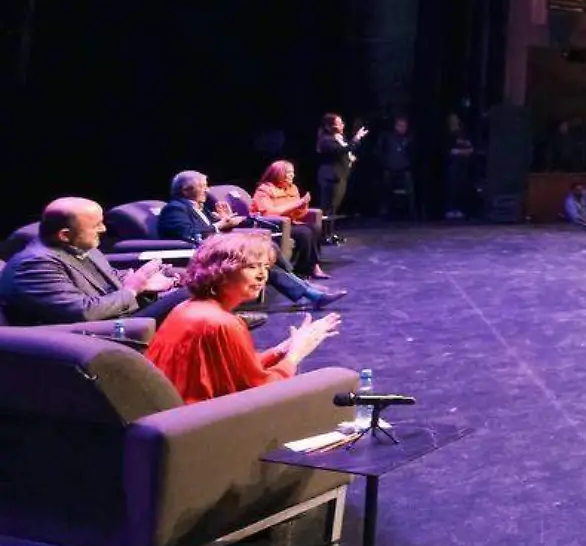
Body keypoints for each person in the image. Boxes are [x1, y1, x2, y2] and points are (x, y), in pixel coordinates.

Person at [145, 232, 342, 403]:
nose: (262, 275)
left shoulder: (185, 308)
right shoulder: (222, 323)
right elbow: (259, 392)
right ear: (221, 271)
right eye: (252, 267)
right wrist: (295, 355)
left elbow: (238, 370)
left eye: (265, 267)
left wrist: (282, 349)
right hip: (203, 425)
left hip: (174, 416)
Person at [157, 170, 345, 310]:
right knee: (257, 260)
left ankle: (307, 290)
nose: (207, 189)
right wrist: (219, 225)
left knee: (265, 248)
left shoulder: (200, 207)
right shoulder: (175, 209)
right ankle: (309, 291)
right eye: (203, 185)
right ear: (186, 189)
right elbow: (188, 233)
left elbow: (213, 226)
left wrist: (228, 220)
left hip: (218, 249)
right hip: (202, 255)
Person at [0, 197, 199, 327]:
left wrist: (146, 281)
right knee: (195, 291)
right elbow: (83, 313)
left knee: (188, 280)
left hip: (117, 315)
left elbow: (108, 277)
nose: (104, 229)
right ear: (64, 235)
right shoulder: (34, 266)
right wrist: (132, 290)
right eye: (96, 225)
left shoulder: (81, 246)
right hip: (95, 335)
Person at [251, 160, 330, 279]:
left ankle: (312, 266)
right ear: (278, 173)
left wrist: (303, 206)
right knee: (305, 233)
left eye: (292, 172)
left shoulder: (293, 188)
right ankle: (303, 271)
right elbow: (269, 213)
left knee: (315, 228)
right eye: (289, 172)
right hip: (272, 226)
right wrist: (297, 203)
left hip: (290, 223)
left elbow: (299, 215)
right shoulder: (264, 190)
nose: (292, 175)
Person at [316, 113, 368, 242]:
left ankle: (330, 234)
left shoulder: (339, 137)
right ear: (329, 126)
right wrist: (356, 138)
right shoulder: (325, 140)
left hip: (340, 176)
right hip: (330, 177)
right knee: (328, 207)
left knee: (334, 207)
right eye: (338, 123)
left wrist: (350, 158)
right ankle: (324, 235)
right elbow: (341, 151)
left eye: (341, 122)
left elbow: (345, 151)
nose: (342, 125)